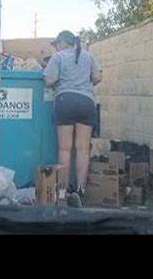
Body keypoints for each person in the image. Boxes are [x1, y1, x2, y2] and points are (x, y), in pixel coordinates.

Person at [43, 30, 103, 207]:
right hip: (86, 102)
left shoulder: (58, 57)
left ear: (62, 43)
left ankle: (63, 191)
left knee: (65, 149)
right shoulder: (88, 56)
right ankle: (80, 191)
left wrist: (61, 80)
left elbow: (48, 80)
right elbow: (98, 76)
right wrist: (85, 84)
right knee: (83, 149)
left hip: (65, 101)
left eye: (57, 44)